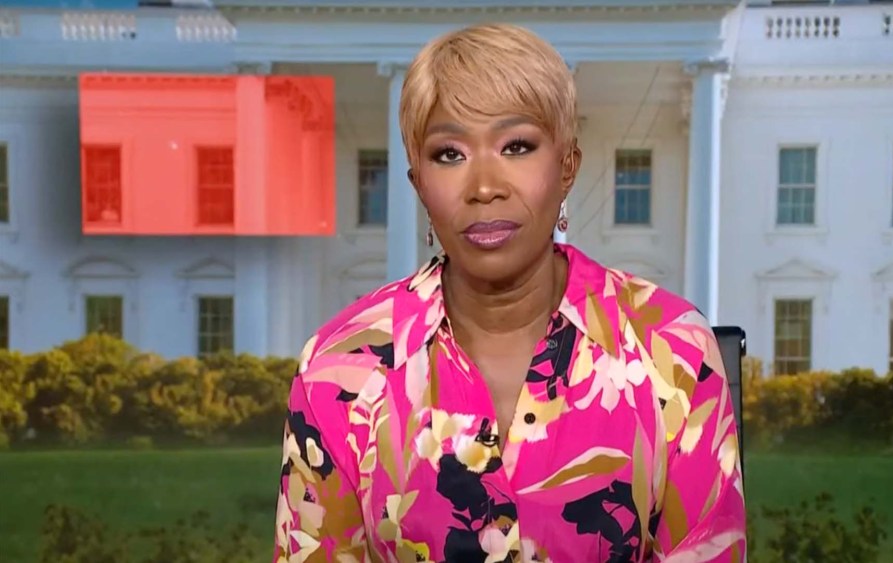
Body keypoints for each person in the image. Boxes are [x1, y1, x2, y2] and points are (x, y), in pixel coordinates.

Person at [273, 23, 746, 563]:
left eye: (516, 146)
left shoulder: (672, 350)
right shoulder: (339, 368)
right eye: (449, 154)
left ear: (567, 166)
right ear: (418, 183)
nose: (484, 187)